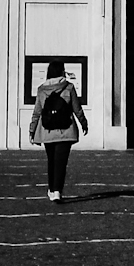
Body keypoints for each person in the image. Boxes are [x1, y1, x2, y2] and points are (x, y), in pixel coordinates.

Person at [28, 60, 88, 203]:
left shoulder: (42, 89)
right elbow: (76, 108)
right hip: (65, 130)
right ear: (62, 71)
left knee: (51, 161)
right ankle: (57, 191)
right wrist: (83, 123)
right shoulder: (69, 87)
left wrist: (31, 130)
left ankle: (51, 189)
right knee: (61, 162)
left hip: (47, 130)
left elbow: (37, 112)